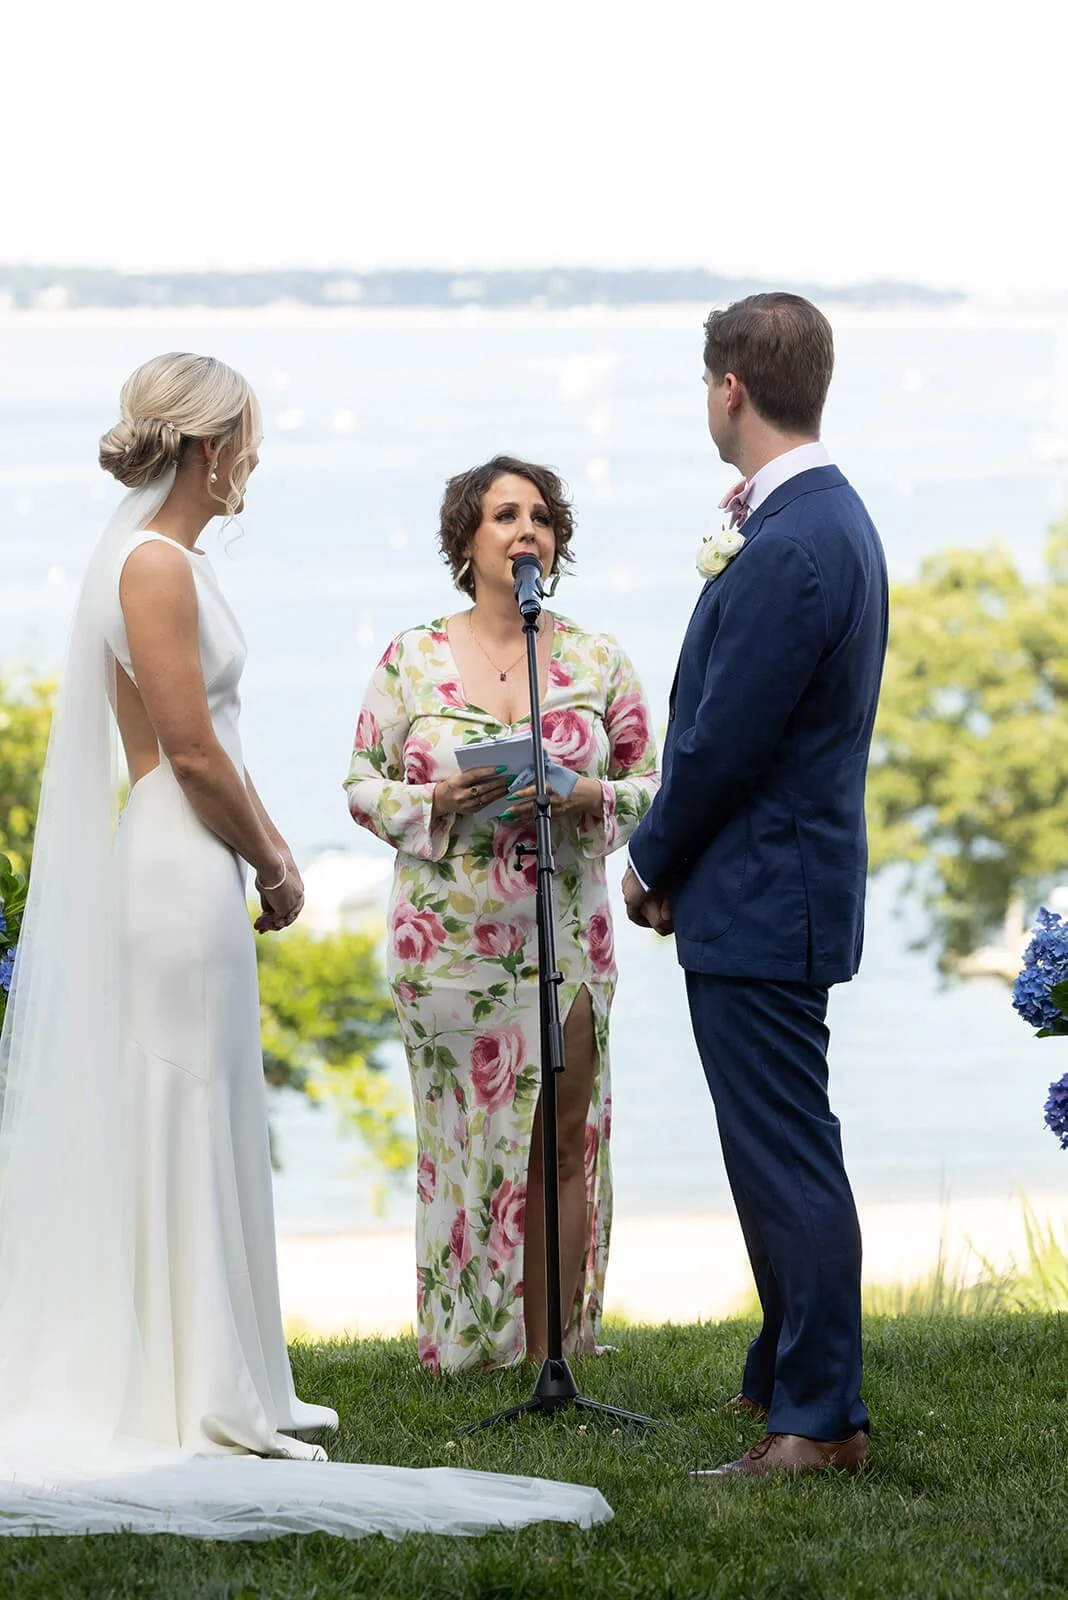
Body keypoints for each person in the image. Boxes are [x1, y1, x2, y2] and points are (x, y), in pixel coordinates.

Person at [0, 363, 610, 1539]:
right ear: (208, 446)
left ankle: (212, 1368)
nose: (256, 462)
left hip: (188, 860)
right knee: (177, 1095)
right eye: (248, 441)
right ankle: (183, 1387)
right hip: (179, 862)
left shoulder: (170, 561)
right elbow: (192, 748)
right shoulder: (151, 567)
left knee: (209, 1097)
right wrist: (277, 860)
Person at [624, 294, 889, 1478]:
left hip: (764, 888)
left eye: (704, 382)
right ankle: (780, 1373)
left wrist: (650, 856)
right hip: (776, 880)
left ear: (732, 386)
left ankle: (821, 1418)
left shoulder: (791, 545)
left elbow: (728, 738)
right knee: (769, 1145)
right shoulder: (813, 519)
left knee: (786, 1153)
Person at [345, 455, 658, 1372]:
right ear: (466, 539)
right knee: (468, 1140)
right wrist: (434, 804)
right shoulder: (409, 658)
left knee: (563, 1135)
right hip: (449, 943)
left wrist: (590, 796)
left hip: (565, 929)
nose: (527, 531)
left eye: (541, 518)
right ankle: (471, 1338)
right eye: (504, 515)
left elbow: (653, 782)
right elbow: (361, 786)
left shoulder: (597, 657)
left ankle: (555, 1350)